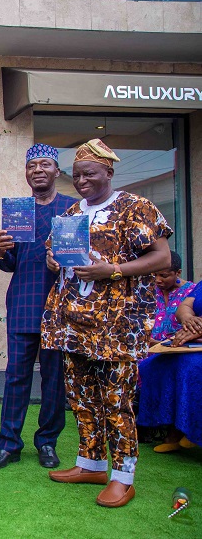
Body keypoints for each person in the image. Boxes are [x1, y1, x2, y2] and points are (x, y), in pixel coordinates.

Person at [42, 138, 171, 508]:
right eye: (78, 174)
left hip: (116, 323)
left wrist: (111, 270)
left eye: (90, 174)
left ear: (109, 172)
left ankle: (123, 476)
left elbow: (161, 258)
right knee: (82, 398)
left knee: (117, 400)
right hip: (73, 321)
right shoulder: (69, 214)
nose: (82, 180)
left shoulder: (135, 207)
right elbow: (58, 254)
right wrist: (55, 260)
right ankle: (91, 464)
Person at [0, 145, 77, 470]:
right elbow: (11, 263)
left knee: (54, 378)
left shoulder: (72, 209)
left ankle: (47, 442)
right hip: (23, 300)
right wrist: (0, 251)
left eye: (45, 164)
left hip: (60, 305)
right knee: (16, 376)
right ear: (26, 172)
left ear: (56, 170)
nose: (38, 170)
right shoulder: (19, 210)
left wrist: (62, 263)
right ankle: (8, 444)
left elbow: (79, 261)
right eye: (32, 165)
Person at [138, 275, 201, 453]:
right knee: (154, 365)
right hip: (193, 339)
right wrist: (188, 320)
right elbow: (185, 307)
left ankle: (191, 431)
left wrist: (197, 329)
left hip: (196, 342)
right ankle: (171, 429)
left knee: (190, 367)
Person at [149, 251, 195, 343]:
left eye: (163, 276)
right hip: (146, 353)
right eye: (154, 275)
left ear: (178, 273)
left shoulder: (192, 292)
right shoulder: (148, 291)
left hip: (176, 352)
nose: (157, 280)